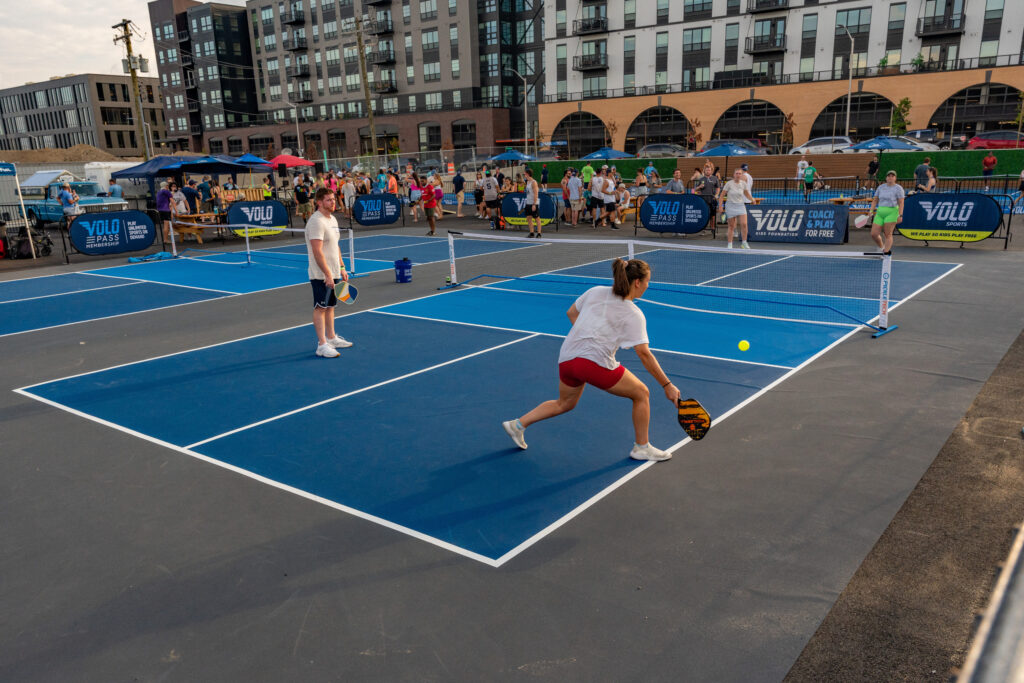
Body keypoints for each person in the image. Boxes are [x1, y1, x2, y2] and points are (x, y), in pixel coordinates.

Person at [501, 258, 681, 462]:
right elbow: (644, 354)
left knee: (565, 403)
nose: (649, 286)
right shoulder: (633, 314)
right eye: (648, 281)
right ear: (637, 282)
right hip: (592, 363)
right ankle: (642, 447)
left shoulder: (595, 291)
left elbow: (571, 313)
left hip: (567, 358)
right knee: (641, 393)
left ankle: (517, 425)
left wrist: (588, 337)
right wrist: (667, 385)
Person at [305, 188, 352, 358]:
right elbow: (317, 251)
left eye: (333, 199)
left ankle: (331, 337)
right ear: (319, 202)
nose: (333, 202)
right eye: (328, 200)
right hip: (320, 274)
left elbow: (336, 246)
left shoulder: (332, 219)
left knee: (331, 306)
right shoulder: (316, 221)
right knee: (320, 307)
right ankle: (322, 344)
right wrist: (327, 274)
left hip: (334, 271)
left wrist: (341, 267)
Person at [867, 170, 904, 254]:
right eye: (889, 176)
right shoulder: (881, 187)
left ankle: (886, 253)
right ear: (886, 178)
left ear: (895, 178)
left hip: (892, 212)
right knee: (874, 234)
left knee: (888, 234)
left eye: (892, 176)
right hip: (880, 212)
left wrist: (900, 215)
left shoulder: (898, 188)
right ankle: (881, 247)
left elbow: (901, 202)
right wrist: (871, 210)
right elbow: (875, 200)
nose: (890, 177)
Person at [719, 169, 755, 249]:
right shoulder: (729, 184)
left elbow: (746, 194)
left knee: (744, 224)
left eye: (740, 173)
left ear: (741, 175)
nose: (738, 175)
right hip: (730, 206)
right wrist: (720, 206)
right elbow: (721, 195)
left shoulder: (743, 184)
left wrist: (752, 199)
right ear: (734, 174)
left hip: (740, 205)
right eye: (737, 173)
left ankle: (744, 243)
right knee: (731, 226)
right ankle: (730, 244)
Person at [524, 167, 542, 238]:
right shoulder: (527, 182)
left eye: (525, 174)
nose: (524, 175)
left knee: (537, 218)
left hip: (533, 203)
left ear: (528, 174)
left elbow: (536, 194)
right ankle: (531, 232)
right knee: (528, 217)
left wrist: (534, 204)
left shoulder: (533, 182)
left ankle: (539, 233)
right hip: (528, 202)